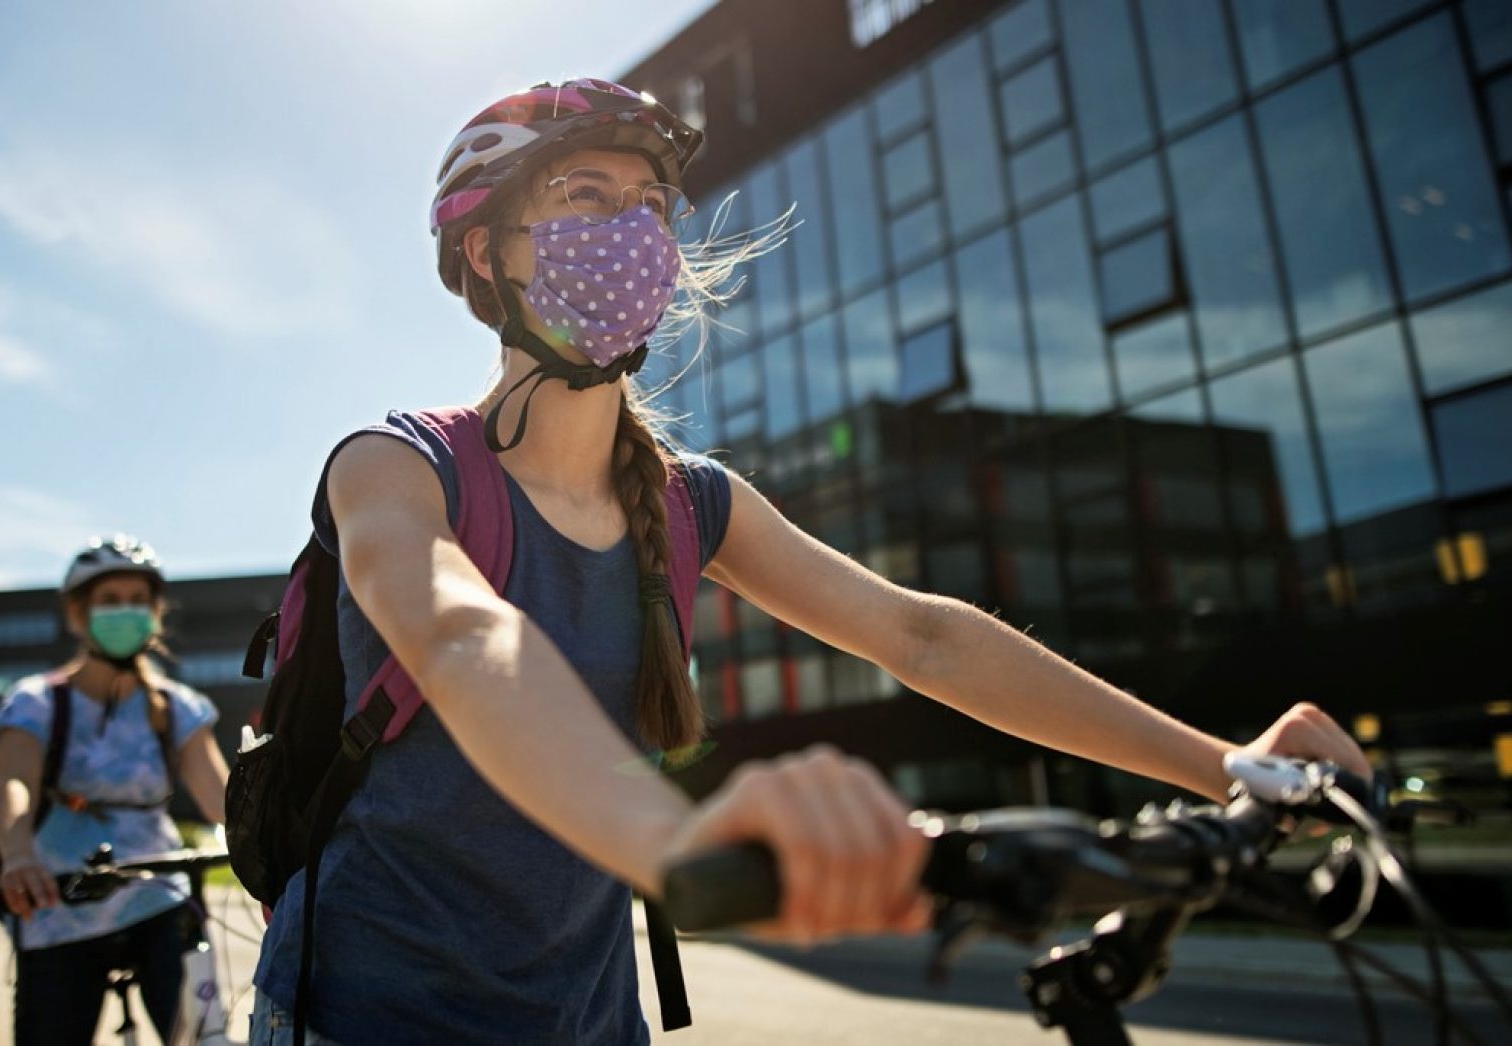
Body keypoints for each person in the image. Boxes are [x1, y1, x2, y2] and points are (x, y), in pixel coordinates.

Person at [247, 79, 1372, 1045]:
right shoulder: (398, 466)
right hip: (361, 1011)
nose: (631, 229)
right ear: (486, 251)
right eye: (584, 197)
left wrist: (1227, 765)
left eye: (648, 204)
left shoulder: (694, 505)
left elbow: (920, 633)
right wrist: (674, 842)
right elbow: (459, 631)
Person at [0, 535, 230, 1046]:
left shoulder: (178, 707)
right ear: (78, 615)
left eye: (138, 601)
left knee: (201, 1038)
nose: (127, 611)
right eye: (110, 601)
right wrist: (16, 854)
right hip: (60, 903)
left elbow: (225, 802)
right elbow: (15, 785)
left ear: (156, 613)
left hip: (162, 898)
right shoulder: (35, 703)